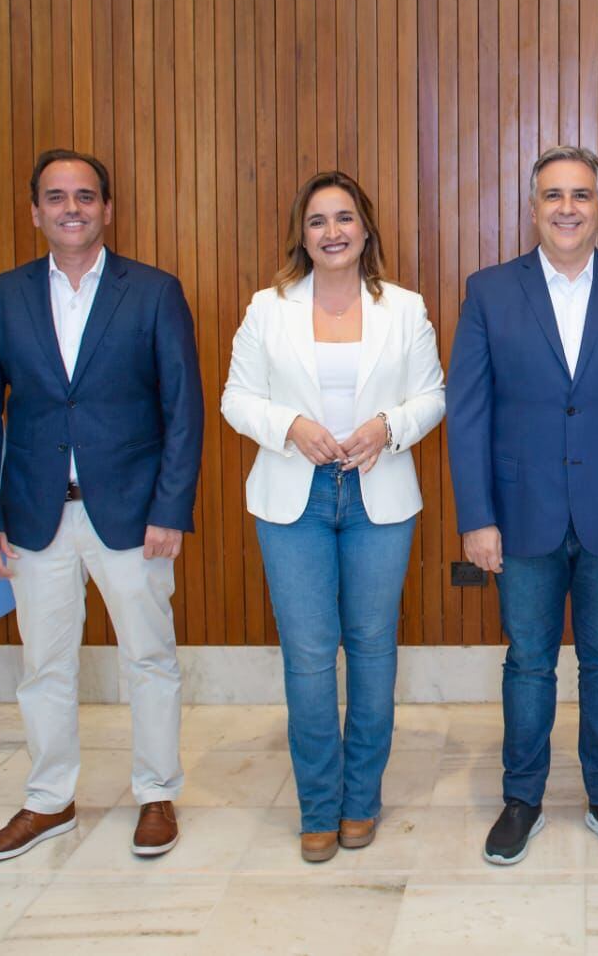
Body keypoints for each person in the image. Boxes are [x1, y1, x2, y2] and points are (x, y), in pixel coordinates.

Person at [0, 149, 204, 862]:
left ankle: (156, 793)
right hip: (33, 516)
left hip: (131, 514)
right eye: (56, 196)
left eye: (86, 195)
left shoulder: (153, 292)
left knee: (149, 658)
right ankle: (48, 801)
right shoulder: (2, 297)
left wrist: (170, 508)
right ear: (35, 210)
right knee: (44, 665)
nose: (72, 207)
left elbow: (181, 411)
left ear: (107, 208)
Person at [446, 145, 598, 866]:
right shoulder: (489, 290)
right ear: (533, 207)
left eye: (581, 195)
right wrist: (476, 516)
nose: (567, 208)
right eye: (553, 195)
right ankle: (521, 798)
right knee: (528, 662)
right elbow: (469, 412)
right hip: (521, 516)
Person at [221, 171, 445, 863]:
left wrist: (388, 426)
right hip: (296, 499)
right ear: (303, 235)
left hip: (379, 496)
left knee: (373, 650)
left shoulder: (404, 308)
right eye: (318, 221)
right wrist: (289, 425)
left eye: (344, 217)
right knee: (311, 657)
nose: (333, 231)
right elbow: (236, 398)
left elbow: (432, 395)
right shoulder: (268, 308)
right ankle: (319, 805)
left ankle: (361, 800)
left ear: (366, 228)